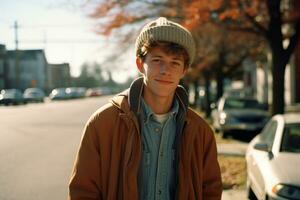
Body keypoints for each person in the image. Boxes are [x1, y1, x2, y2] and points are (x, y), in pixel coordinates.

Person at [68, 17, 222, 200]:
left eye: (175, 62)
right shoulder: (102, 123)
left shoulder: (200, 131)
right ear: (140, 64)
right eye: (157, 60)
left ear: (184, 71)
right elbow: (83, 191)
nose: (166, 70)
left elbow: (210, 191)